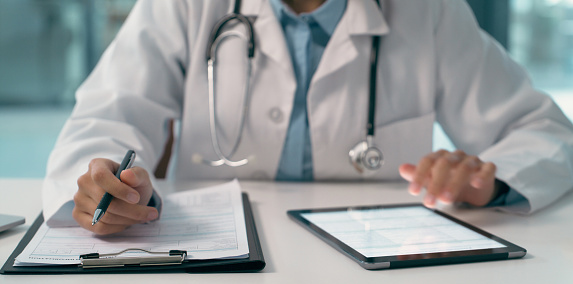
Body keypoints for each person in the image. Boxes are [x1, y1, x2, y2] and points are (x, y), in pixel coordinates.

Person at [43, 0, 573, 234]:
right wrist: (102, 179)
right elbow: (105, 115)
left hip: (380, 272)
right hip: (212, 270)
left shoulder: (428, 10)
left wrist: (490, 180)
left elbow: (544, 131)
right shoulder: (184, 4)